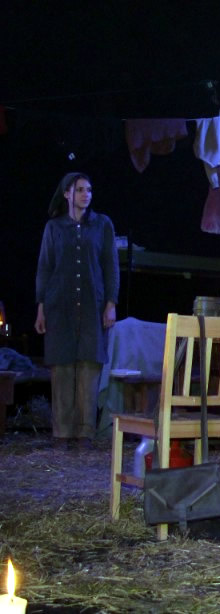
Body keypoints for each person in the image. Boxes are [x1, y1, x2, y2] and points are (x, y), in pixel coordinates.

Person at [35, 172, 119, 450]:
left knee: (89, 366)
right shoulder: (54, 228)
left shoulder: (102, 225)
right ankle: (62, 431)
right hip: (60, 305)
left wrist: (111, 303)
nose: (86, 195)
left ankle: (85, 433)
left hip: (93, 305)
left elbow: (110, 265)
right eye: (80, 190)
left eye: (89, 190)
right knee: (62, 367)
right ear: (67, 194)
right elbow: (45, 267)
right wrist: (41, 307)